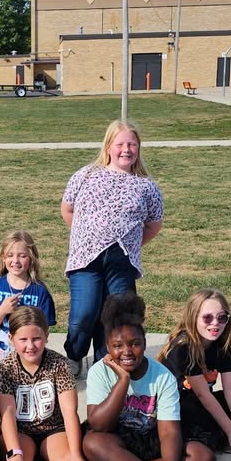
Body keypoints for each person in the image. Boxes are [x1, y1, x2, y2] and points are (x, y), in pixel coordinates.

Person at [0, 305, 124, 461]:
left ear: (47, 336)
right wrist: (14, 453)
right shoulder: (4, 368)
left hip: (53, 429)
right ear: (11, 339)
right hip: (19, 430)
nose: (30, 346)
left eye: (36, 339)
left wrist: (76, 454)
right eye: (23, 340)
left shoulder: (59, 364)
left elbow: (69, 412)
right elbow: (8, 414)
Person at [83, 294, 217, 461]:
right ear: (108, 347)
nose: (126, 351)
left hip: (151, 438)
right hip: (117, 438)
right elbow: (99, 424)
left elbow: (169, 432)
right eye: (118, 346)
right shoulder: (99, 371)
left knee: (203, 458)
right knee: (93, 443)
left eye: (135, 344)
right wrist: (123, 380)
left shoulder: (161, 376)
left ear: (145, 343)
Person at [61, 120, 163, 376]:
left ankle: (103, 364)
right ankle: (74, 355)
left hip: (122, 263)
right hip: (86, 259)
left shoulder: (146, 186)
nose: (126, 149)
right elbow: (67, 209)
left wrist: (128, 245)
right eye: (120, 144)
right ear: (108, 147)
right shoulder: (85, 175)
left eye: (132, 144)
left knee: (116, 316)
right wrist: (89, 237)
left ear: (139, 148)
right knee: (84, 314)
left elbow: (153, 224)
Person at [158, 288, 231, 461]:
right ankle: (227, 439)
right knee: (206, 428)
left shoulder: (223, 342)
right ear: (193, 317)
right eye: (207, 318)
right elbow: (203, 394)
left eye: (222, 317)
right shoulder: (183, 346)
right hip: (175, 409)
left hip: (202, 403)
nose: (215, 324)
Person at [0, 230, 56, 397]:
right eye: (10, 255)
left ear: (31, 258)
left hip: (30, 346)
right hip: (1, 343)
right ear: (3, 258)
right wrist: (2, 310)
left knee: (41, 389)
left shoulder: (40, 291)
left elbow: (45, 328)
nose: (15, 260)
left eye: (22, 256)